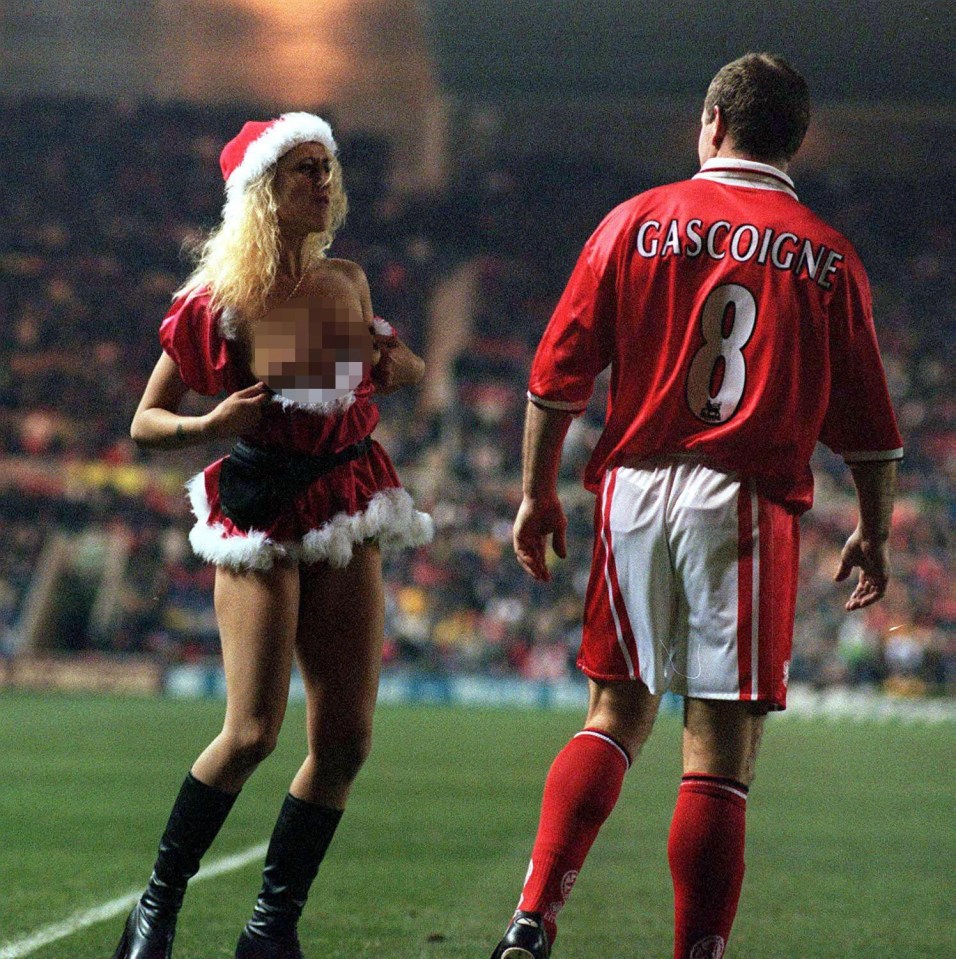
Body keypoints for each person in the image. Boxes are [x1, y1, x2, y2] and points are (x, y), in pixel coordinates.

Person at [489, 54, 902, 959]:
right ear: (795, 140)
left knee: (614, 713)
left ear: (712, 120)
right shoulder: (826, 254)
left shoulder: (632, 221)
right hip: (744, 504)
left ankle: (531, 916)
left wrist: (534, 492)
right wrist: (873, 528)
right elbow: (871, 427)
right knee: (718, 753)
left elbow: (556, 378)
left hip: (634, 490)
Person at [112, 112, 433, 959]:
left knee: (346, 741)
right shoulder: (220, 301)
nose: (323, 182)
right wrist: (211, 422)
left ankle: (269, 929)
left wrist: (401, 368)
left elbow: (397, 370)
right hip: (260, 502)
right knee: (252, 730)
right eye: (303, 170)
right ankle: (155, 906)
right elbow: (146, 421)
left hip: (346, 496)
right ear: (262, 191)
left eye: (327, 167)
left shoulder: (348, 281)